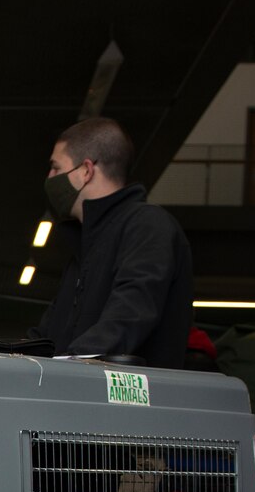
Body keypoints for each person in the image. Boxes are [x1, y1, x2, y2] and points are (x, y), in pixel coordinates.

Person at [29, 117, 194, 367]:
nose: (49, 177)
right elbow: (47, 337)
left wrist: (67, 365)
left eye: (56, 168)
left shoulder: (148, 227)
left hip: (129, 403)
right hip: (80, 397)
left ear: (86, 171)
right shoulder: (83, 250)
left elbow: (128, 318)